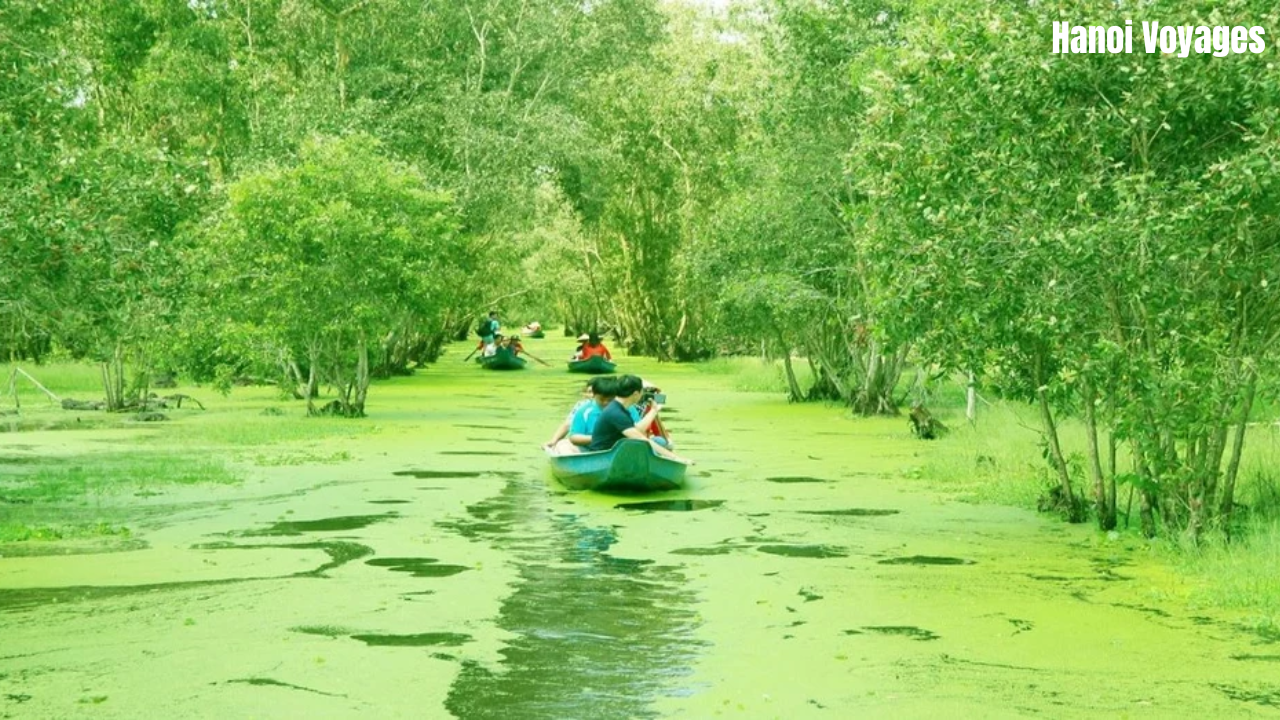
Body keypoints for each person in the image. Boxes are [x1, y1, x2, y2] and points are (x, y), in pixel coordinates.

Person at [588, 375, 690, 463]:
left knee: (659, 441)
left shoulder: (618, 407)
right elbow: (641, 439)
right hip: (604, 456)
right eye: (642, 392)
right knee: (653, 446)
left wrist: (653, 411)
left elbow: (636, 431)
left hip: (614, 452)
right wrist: (676, 458)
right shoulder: (616, 413)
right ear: (636, 393)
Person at [544, 377, 615, 454]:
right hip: (589, 447)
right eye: (602, 399)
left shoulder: (623, 408)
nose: (606, 403)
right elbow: (569, 426)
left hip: (615, 448)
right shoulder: (583, 409)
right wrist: (554, 440)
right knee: (562, 445)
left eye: (610, 400)